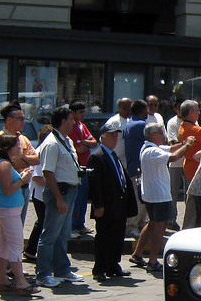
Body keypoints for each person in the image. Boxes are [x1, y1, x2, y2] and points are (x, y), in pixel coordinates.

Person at [130, 123, 192, 271]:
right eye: (160, 132)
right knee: (160, 228)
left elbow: (171, 149)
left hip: (151, 195)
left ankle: (137, 254)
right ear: (153, 134)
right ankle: (152, 260)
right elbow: (174, 156)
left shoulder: (148, 148)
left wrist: (183, 143)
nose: (163, 135)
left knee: (152, 224)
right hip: (159, 196)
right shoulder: (152, 151)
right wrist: (188, 145)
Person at [35, 106, 85, 288]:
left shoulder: (67, 140)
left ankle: (62, 269)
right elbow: (48, 172)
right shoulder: (51, 143)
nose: (74, 122)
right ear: (63, 121)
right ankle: (43, 273)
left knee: (63, 234)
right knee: (50, 234)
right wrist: (58, 198)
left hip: (71, 189)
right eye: (71, 119)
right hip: (60, 191)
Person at [88, 120, 139, 281]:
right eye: (111, 136)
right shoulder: (97, 157)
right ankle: (100, 268)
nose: (115, 139)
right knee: (104, 236)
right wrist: (98, 204)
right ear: (102, 137)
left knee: (117, 237)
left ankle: (113, 265)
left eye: (116, 136)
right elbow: (95, 184)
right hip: (106, 205)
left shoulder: (113, 155)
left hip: (119, 205)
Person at [0, 137, 39, 296]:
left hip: (9, 208)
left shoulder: (4, 164)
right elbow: (8, 189)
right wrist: (23, 179)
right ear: (8, 148)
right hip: (8, 209)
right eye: (17, 146)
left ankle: (2, 279)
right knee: (16, 244)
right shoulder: (4, 164)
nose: (20, 148)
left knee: (4, 243)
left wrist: (21, 175)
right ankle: (21, 281)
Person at [68, 100, 98, 239]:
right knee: (76, 198)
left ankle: (80, 224)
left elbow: (93, 142)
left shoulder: (82, 125)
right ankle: (72, 226)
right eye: (80, 112)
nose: (83, 114)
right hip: (76, 168)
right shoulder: (71, 128)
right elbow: (78, 149)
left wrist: (84, 143)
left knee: (83, 198)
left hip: (86, 167)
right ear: (72, 113)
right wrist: (86, 144)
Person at [23, 124, 52, 264]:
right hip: (40, 194)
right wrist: (55, 185)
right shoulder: (41, 151)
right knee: (43, 222)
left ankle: (30, 249)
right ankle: (32, 250)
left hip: (43, 193)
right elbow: (37, 177)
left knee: (41, 222)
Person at [123, 99, 150, 239]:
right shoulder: (140, 125)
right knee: (139, 198)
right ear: (142, 111)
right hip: (139, 168)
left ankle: (139, 225)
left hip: (134, 166)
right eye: (146, 110)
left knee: (141, 198)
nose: (148, 112)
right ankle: (131, 226)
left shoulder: (129, 124)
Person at [107, 97, 133, 167]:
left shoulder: (131, 120)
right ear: (122, 108)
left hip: (128, 161)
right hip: (116, 161)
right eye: (130, 107)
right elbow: (104, 141)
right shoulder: (113, 122)